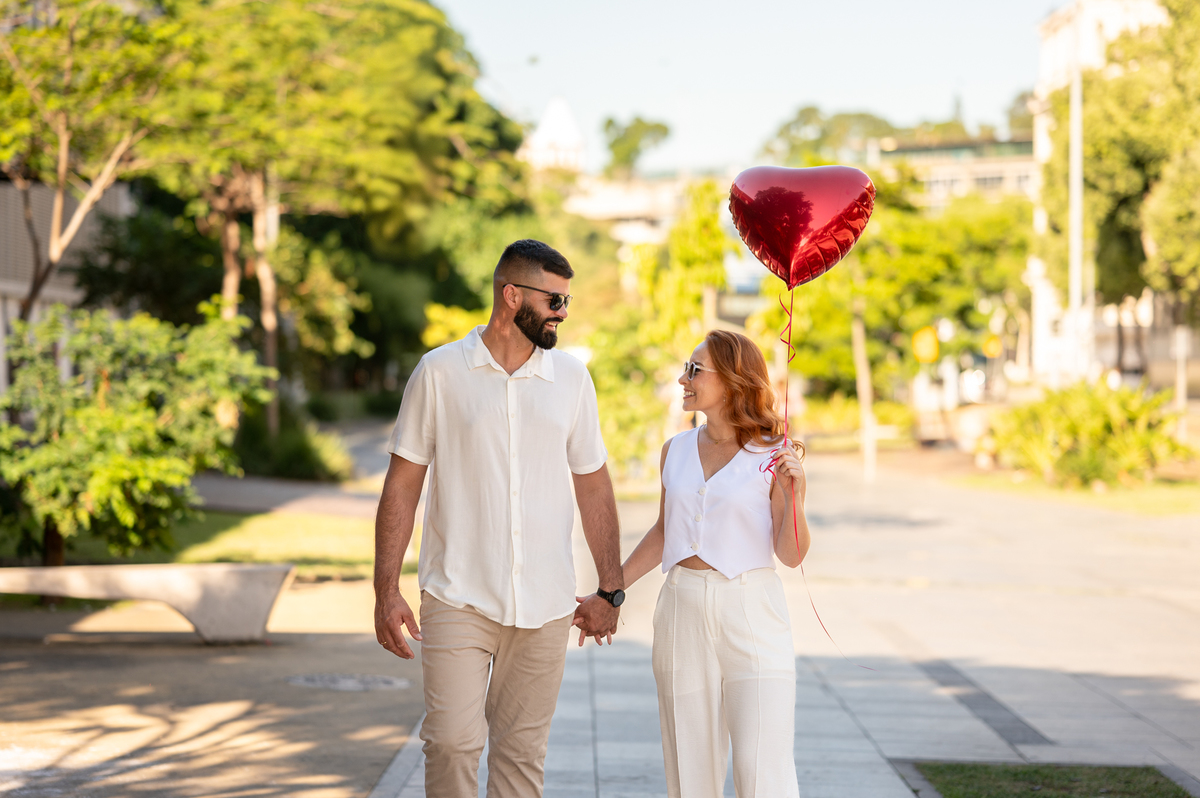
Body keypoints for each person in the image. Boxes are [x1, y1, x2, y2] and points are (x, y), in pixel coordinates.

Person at [374, 239, 624, 798]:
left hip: (545, 606)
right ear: (512, 296)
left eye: (567, 300)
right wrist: (385, 589)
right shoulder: (439, 372)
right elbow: (402, 485)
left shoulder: (572, 380)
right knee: (452, 743)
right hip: (458, 596)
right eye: (554, 300)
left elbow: (593, 485)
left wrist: (611, 591)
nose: (563, 312)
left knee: (519, 759)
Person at [613, 329, 808, 798]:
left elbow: (791, 554)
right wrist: (610, 590)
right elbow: (665, 532)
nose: (684, 378)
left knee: (764, 768)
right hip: (681, 607)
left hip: (752, 610)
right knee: (689, 767)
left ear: (732, 380)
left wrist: (795, 498)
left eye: (695, 370)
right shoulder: (674, 451)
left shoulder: (773, 455)